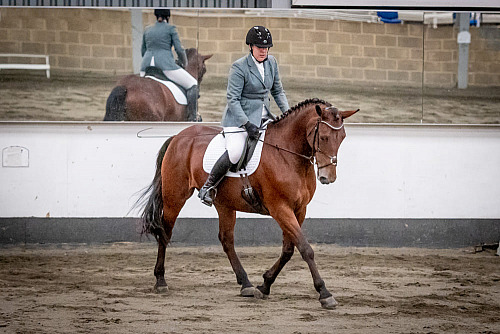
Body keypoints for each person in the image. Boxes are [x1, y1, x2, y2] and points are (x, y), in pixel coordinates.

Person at [198, 25, 290, 207]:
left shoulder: (272, 63)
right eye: (259, 47)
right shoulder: (239, 67)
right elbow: (232, 99)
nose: (263, 51)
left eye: (266, 48)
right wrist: (246, 124)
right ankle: (208, 187)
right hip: (239, 120)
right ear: (250, 47)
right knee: (235, 152)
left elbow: (278, 91)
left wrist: (288, 114)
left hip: (265, 117)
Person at [140, 9, 199, 121]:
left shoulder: (148, 29)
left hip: (145, 66)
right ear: (168, 17)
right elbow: (179, 49)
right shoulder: (171, 29)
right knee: (193, 84)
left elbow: (143, 50)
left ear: (156, 16)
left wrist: (147, 60)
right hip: (165, 65)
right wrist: (184, 63)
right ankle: (193, 117)